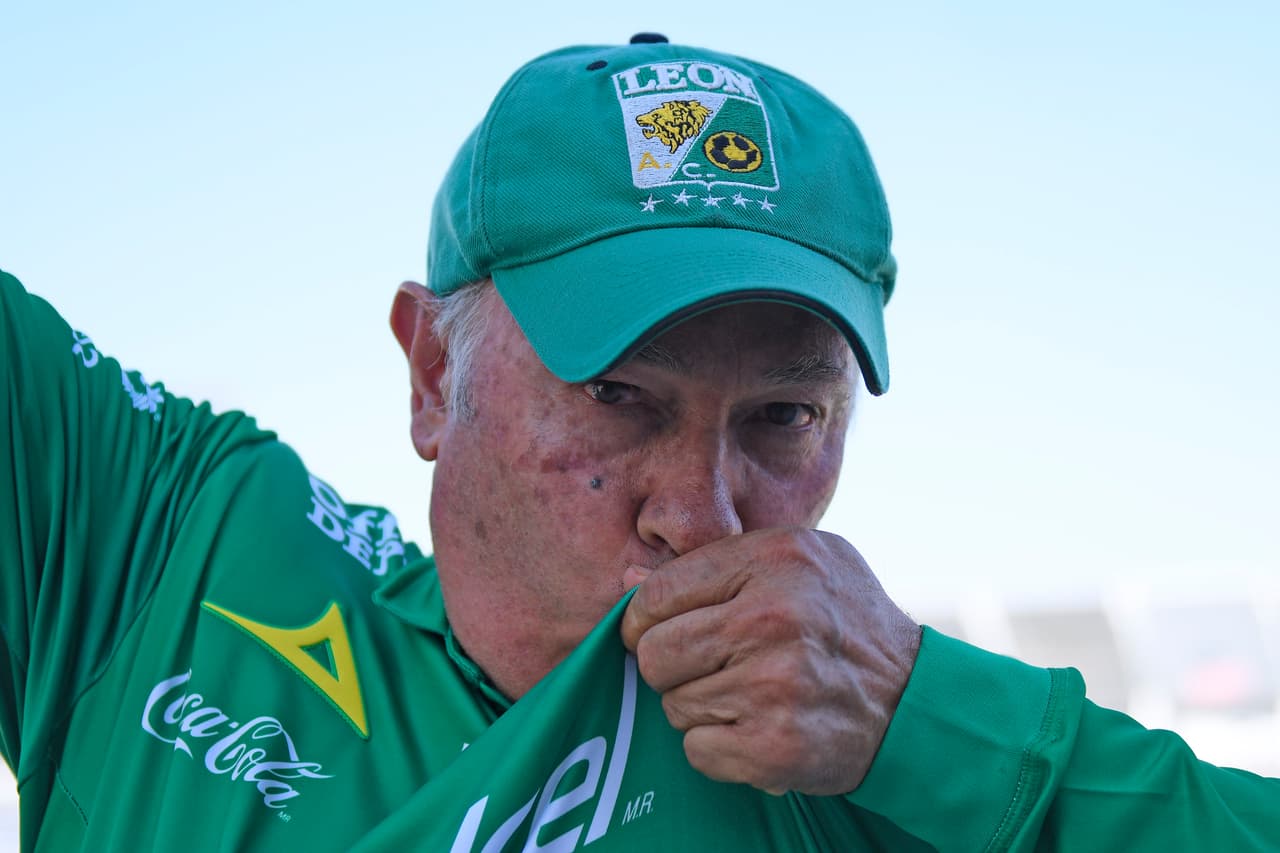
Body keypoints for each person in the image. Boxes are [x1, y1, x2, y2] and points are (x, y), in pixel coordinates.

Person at [0, 33, 1276, 852]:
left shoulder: (875, 777)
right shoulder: (166, 545)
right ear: (434, 372)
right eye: (617, 394)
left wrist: (935, 727)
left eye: (782, 416)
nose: (702, 514)